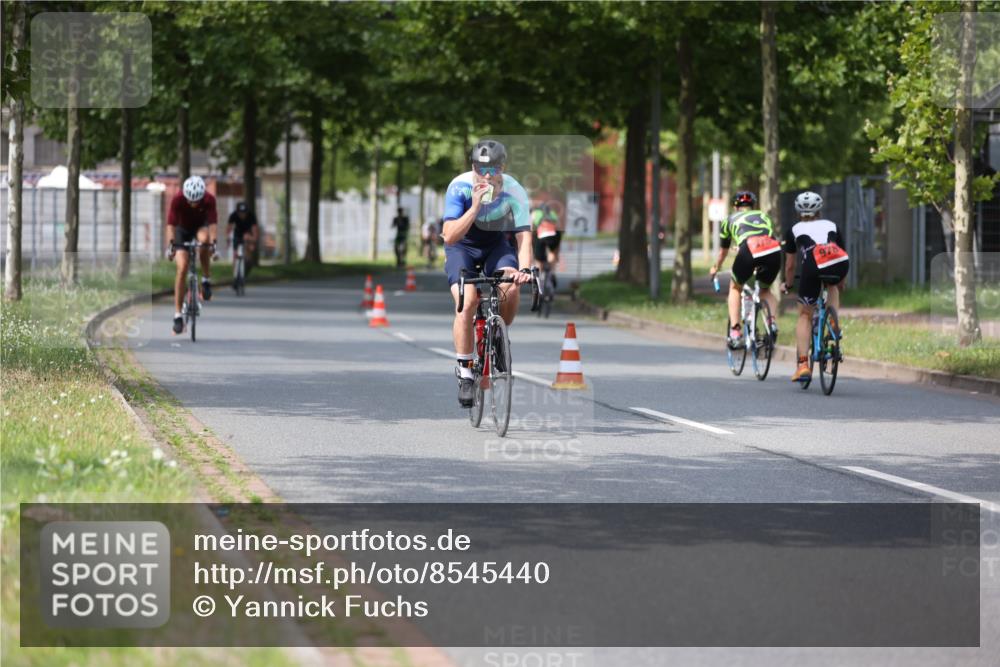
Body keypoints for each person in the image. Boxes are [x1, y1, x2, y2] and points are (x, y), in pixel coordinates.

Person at [441, 139, 533, 407]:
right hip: (462, 247)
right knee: (467, 301)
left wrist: (525, 269)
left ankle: (497, 337)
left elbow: (524, 238)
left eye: (493, 169)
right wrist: (475, 207)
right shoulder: (459, 186)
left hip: (496, 245)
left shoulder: (515, 191)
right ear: (473, 168)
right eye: (481, 170)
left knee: (510, 285)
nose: (488, 176)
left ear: (502, 168)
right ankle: (466, 372)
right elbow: (448, 236)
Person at [781, 191, 850, 383]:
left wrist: (787, 284)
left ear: (797, 210)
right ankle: (834, 323)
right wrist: (842, 279)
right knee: (833, 286)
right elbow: (841, 251)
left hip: (813, 262)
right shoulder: (832, 225)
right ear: (820, 210)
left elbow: (790, 265)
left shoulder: (794, 229)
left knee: (805, 315)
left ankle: (803, 364)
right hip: (839, 261)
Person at [709, 191, 781, 348]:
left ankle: (735, 332)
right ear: (753, 206)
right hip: (772, 250)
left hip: (749, 249)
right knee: (766, 291)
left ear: (735, 207)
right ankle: (772, 323)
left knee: (735, 287)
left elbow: (723, 251)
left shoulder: (728, 220)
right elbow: (763, 235)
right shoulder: (764, 216)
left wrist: (715, 267)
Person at [165, 176, 218, 335]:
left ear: (202, 196)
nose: (193, 204)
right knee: (182, 268)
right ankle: (177, 315)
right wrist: (171, 246)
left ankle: (206, 280)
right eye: (190, 201)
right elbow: (171, 225)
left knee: (205, 241)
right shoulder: (178, 199)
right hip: (182, 230)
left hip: (200, 227)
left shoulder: (209, 199)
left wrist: (214, 243)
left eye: (197, 201)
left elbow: (213, 223)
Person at [226, 201, 258, 283]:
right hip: (238, 234)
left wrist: (253, 241)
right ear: (237, 212)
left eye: (244, 213)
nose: (242, 215)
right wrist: (228, 239)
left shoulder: (251, 216)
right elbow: (229, 228)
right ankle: (235, 276)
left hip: (248, 234)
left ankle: (247, 263)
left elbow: (255, 230)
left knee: (249, 248)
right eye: (240, 213)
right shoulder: (233, 215)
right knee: (235, 254)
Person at [531, 204, 562, 281]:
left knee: (539, 259)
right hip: (554, 234)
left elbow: (531, 228)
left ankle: (539, 277)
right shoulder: (552, 213)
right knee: (553, 252)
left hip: (542, 234)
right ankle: (551, 271)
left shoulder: (535, 213)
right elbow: (558, 226)